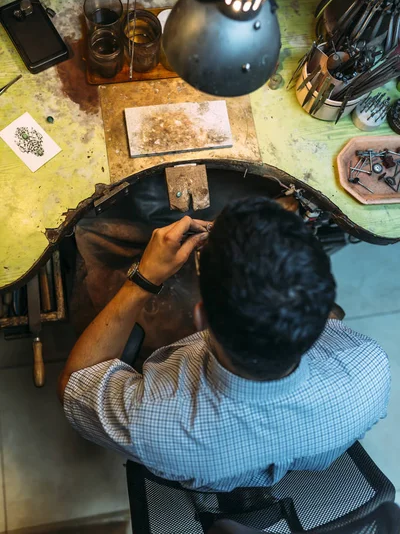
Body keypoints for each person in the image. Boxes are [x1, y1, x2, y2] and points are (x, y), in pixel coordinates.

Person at [58, 197, 390, 492]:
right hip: (282, 456)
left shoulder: (154, 421)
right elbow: (332, 317)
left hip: (202, 465)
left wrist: (146, 278)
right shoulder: (369, 369)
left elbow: (76, 382)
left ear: (200, 320)